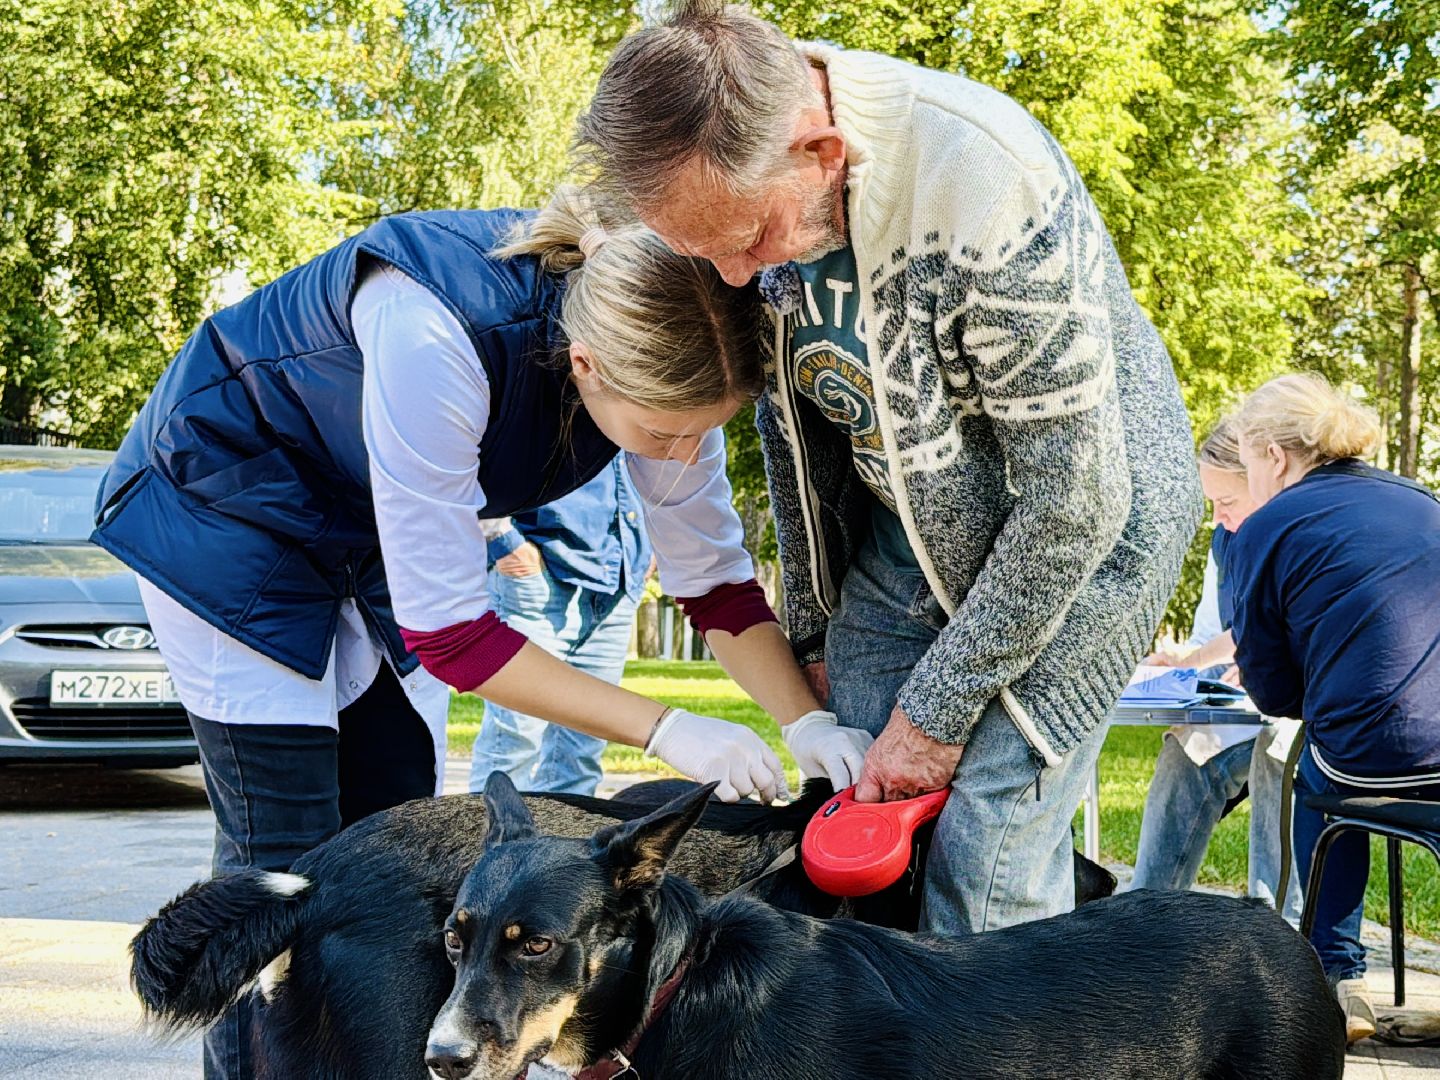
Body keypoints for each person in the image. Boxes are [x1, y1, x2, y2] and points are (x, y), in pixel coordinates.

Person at [91, 189, 864, 1078]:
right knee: (288, 849)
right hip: (225, 508)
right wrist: (668, 728)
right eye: (664, 433)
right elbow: (456, 639)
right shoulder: (436, 332)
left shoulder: (669, 370)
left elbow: (716, 582)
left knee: (397, 836)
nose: (683, 453)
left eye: (706, 432)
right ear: (587, 365)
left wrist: (803, 720)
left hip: (365, 533)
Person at [574, 0, 1201, 935]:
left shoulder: (984, 180)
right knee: (845, 847)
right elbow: (803, 449)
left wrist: (939, 714)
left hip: (1080, 542)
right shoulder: (737, 197)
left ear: (820, 152)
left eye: (748, 240)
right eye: (706, 252)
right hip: (906, 537)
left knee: (982, 867)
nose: (738, 276)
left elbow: (1077, 501)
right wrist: (815, 640)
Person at [1228, 372, 1440, 1043]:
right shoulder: (1423, 499)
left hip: (1365, 755)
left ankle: (1335, 980)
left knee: (1322, 776)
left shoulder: (1264, 528)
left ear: (1273, 454)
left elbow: (1271, 690)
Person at [1129, 417, 1301, 919]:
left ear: (1263, 479)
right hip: (1247, 706)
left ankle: (1276, 930)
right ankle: (1145, 921)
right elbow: (1217, 635)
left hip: (1303, 717)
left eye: (1227, 503)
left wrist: (1253, 656)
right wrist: (1184, 662)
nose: (1220, 518)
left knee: (1278, 749)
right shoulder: (1226, 542)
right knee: (1183, 753)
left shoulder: (1299, 536)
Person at [469, 461, 650, 795]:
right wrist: (503, 542)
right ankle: (486, 848)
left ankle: (563, 849)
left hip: (618, 582)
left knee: (580, 754)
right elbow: (468, 458)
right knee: (513, 745)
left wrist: (650, 547)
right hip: (540, 577)